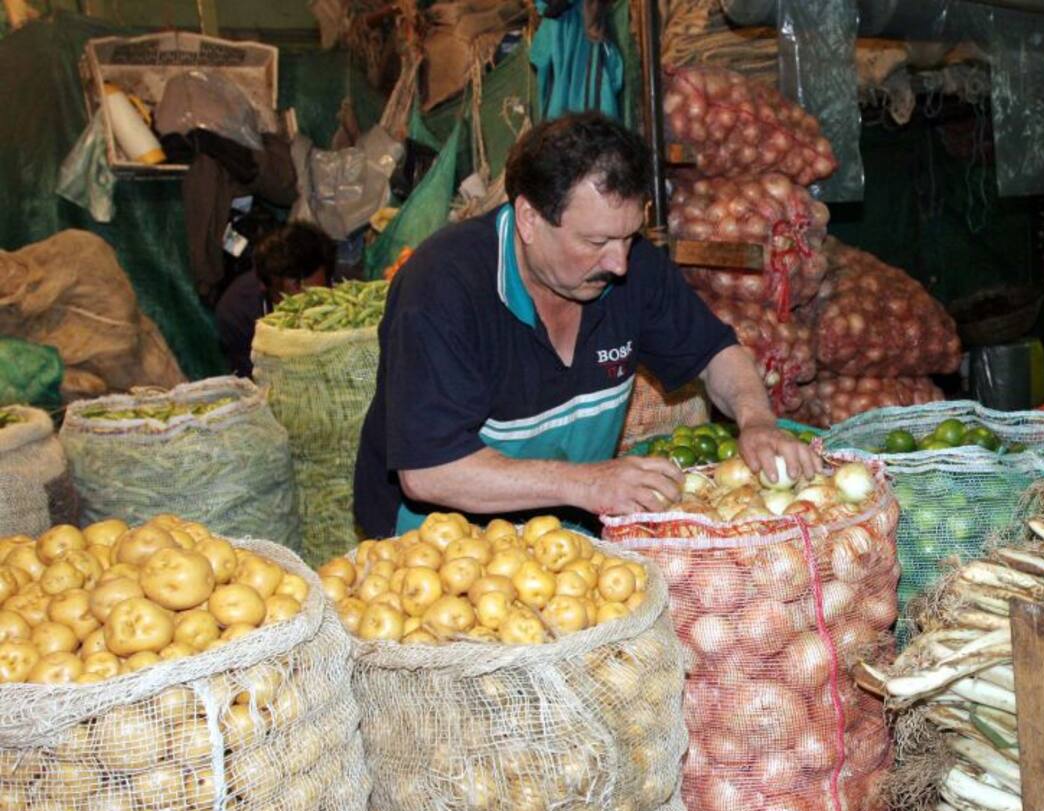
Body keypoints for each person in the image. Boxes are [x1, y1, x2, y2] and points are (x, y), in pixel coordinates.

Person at [353, 112, 817, 537]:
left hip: (563, 543)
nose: (617, 262)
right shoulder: (444, 288)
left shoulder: (632, 266)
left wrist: (756, 420)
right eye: (595, 241)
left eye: (628, 237)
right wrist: (587, 484)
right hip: (439, 552)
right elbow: (429, 472)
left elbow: (715, 353)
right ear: (530, 219)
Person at [214, 223, 336, 377]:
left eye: (316, 296)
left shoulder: (349, 293)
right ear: (264, 285)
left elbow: (365, 370)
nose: (306, 309)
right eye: (292, 301)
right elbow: (251, 378)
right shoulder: (237, 311)